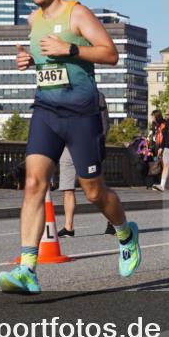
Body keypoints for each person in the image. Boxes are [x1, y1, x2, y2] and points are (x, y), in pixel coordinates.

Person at [0, 0, 141, 294]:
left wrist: (71, 50)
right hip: (46, 109)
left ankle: (125, 232)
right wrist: (30, 60)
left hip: (81, 115)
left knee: (93, 191)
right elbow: (48, 62)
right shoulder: (33, 20)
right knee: (34, 184)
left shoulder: (77, 13)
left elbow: (110, 53)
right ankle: (27, 269)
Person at [57, 92, 111, 237]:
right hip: (67, 147)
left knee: (96, 189)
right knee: (67, 188)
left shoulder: (96, 95)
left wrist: (96, 143)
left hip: (88, 146)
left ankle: (112, 222)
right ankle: (69, 227)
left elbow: (104, 123)